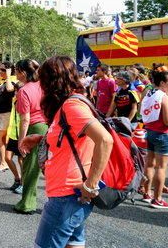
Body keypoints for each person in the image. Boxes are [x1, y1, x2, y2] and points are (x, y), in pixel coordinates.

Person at [19, 56, 113, 248]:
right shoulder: (67, 104)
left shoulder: (72, 106)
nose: (40, 85)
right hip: (72, 195)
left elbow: (105, 140)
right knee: (74, 243)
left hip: (68, 195)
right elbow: (72, 139)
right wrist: (40, 139)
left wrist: (91, 184)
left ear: (52, 81)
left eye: (42, 79)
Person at [13, 59, 48, 214]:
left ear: (23, 72)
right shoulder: (43, 86)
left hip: (34, 127)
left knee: (31, 167)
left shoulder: (24, 90)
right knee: (40, 166)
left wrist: (21, 140)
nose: (15, 73)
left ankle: (27, 203)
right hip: (46, 126)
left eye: (16, 70)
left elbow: (25, 118)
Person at [140, 70, 168, 209]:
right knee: (161, 168)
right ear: (162, 83)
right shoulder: (164, 97)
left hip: (150, 132)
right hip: (162, 134)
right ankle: (157, 199)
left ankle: (147, 194)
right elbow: (167, 121)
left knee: (149, 164)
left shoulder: (150, 92)